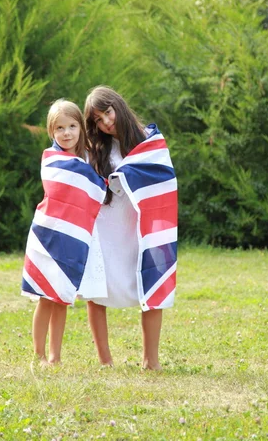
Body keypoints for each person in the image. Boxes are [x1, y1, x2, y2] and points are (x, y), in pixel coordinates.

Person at [84, 86, 178, 370]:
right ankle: (105, 361)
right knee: (97, 289)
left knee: (152, 285)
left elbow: (164, 181)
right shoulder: (96, 149)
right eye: (98, 120)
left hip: (143, 228)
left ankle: (151, 360)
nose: (106, 122)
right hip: (106, 227)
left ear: (118, 106)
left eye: (108, 113)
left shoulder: (150, 143)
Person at [21, 99, 107, 366]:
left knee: (62, 299)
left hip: (72, 237)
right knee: (46, 298)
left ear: (80, 127)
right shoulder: (52, 158)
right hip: (48, 236)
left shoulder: (85, 159)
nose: (66, 133)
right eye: (60, 128)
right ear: (51, 131)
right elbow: (62, 189)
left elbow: (93, 189)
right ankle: (38, 355)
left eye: (72, 126)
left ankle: (55, 357)